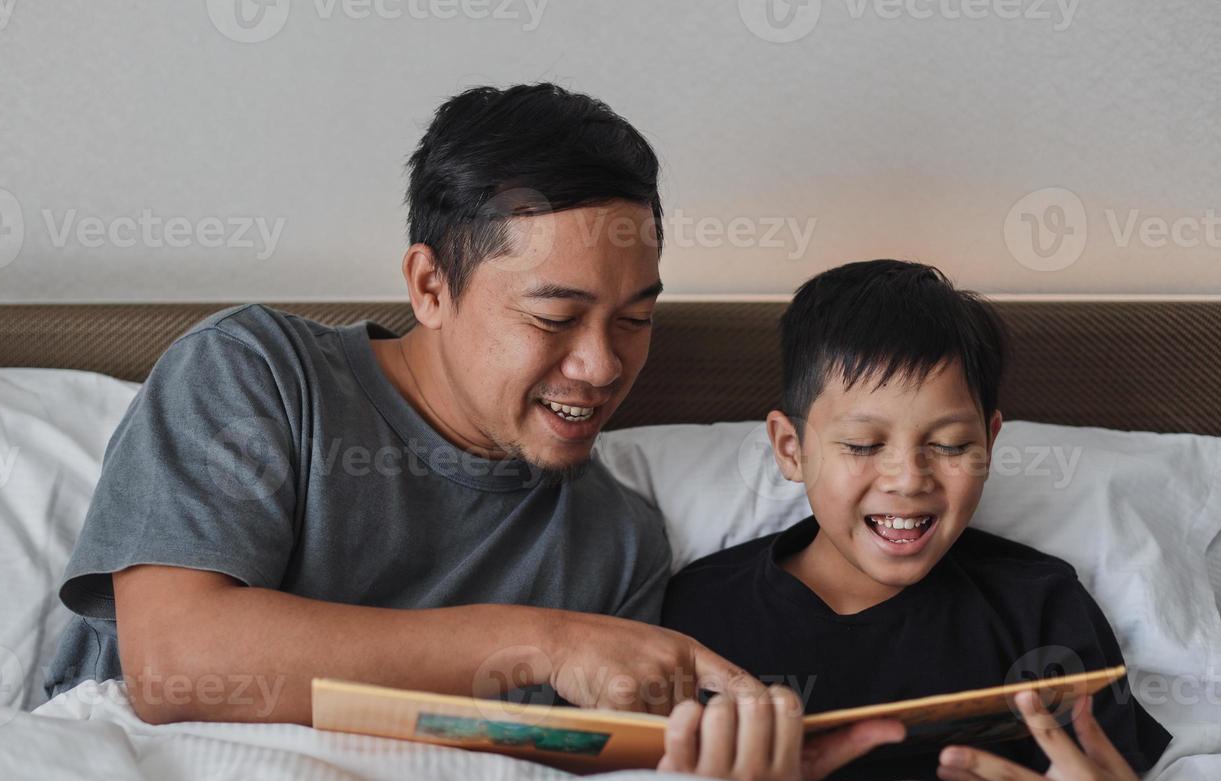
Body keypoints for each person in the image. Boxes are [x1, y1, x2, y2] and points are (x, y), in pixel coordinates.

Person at [42, 83, 779, 726]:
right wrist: (547, 643)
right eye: (555, 318)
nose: (603, 364)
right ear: (430, 287)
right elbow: (178, 663)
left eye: (635, 320)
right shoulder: (256, 375)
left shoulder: (614, 543)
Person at [655, 260, 1173, 781]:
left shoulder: (1039, 608)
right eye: (861, 444)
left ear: (990, 442)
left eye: (950, 445)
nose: (908, 478)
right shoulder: (693, 614)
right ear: (790, 448)